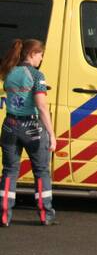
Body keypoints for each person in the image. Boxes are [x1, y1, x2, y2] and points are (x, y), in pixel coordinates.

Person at [1, 38, 56, 226]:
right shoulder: (37, 75)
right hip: (32, 128)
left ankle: (3, 216)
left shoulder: (9, 72)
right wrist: (52, 134)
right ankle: (45, 215)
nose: (41, 58)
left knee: (9, 171)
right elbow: (41, 106)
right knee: (41, 171)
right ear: (32, 54)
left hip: (9, 126)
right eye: (40, 54)